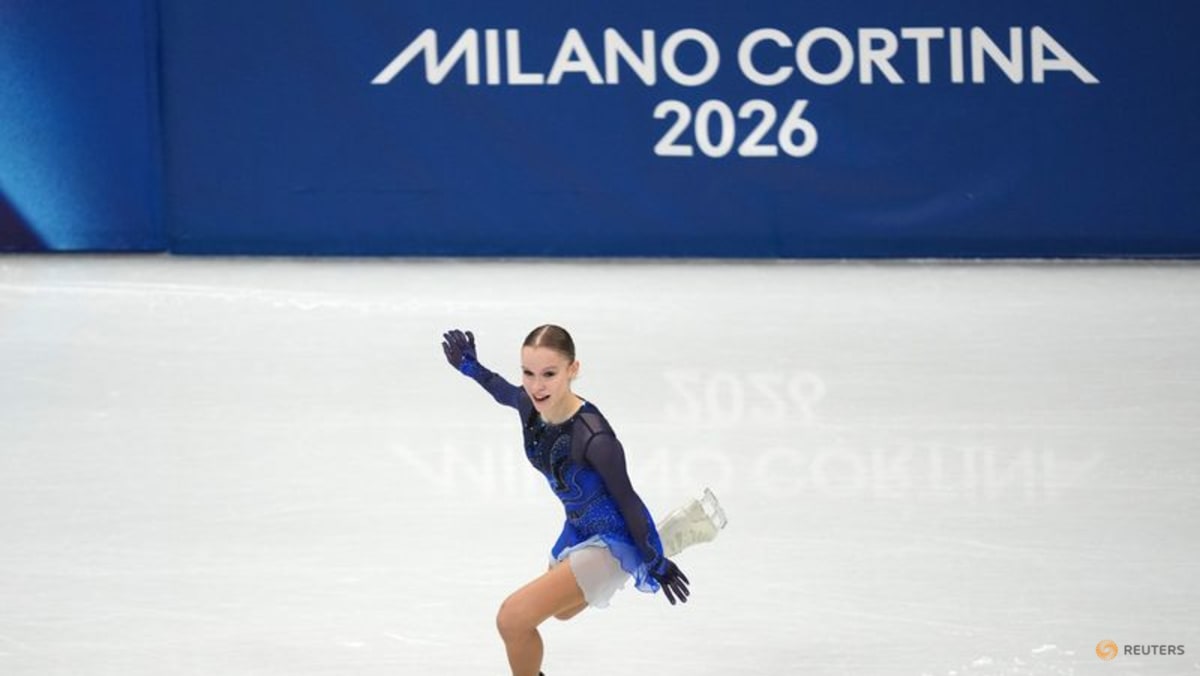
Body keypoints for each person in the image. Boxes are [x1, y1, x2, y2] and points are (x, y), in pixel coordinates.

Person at [441, 325, 691, 676]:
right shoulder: (530, 404)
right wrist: (471, 367)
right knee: (561, 612)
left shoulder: (594, 437)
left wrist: (656, 561)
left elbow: (629, 501)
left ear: (573, 370)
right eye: (528, 373)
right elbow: (503, 390)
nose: (536, 385)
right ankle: (632, 556)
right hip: (577, 530)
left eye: (549, 374)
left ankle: (634, 552)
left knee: (512, 620)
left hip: (609, 538)